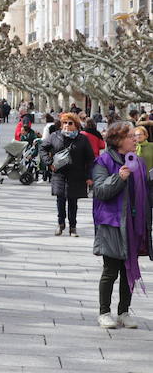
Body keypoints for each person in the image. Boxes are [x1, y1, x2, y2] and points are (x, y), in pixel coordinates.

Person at [92, 122, 151, 329]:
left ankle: (124, 312)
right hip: (112, 223)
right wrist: (119, 177)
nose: (135, 140)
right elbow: (100, 191)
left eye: (136, 136)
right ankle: (104, 312)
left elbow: (146, 193)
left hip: (134, 224)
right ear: (118, 141)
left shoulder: (139, 163)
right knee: (111, 270)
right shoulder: (103, 161)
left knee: (129, 271)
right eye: (130, 137)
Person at [41, 112, 95, 237]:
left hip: (76, 175)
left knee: (73, 202)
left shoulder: (82, 139)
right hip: (59, 175)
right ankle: (60, 224)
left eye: (70, 123)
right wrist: (49, 163)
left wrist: (89, 176)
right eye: (64, 123)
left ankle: (73, 227)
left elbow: (90, 159)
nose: (66, 125)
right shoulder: (54, 136)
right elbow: (43, 148)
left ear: (76, 125)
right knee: (60, 200)